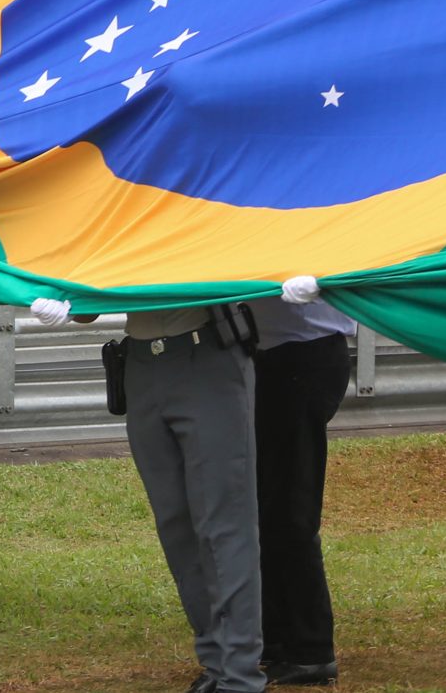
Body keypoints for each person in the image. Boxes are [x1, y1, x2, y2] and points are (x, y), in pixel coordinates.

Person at [124, 303, 264, 693]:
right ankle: (216, 661)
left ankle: (239, 676)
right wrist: (62, 294)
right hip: (139, 362)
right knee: (176, 525)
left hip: (206, 355)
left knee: (224, 523)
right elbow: (87, 306)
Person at [250, 294, 356, 686]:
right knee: (267, 506)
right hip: (273, 355)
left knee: (289, 507)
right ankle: (276, 638)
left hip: (302, 354)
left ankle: (310, 650)